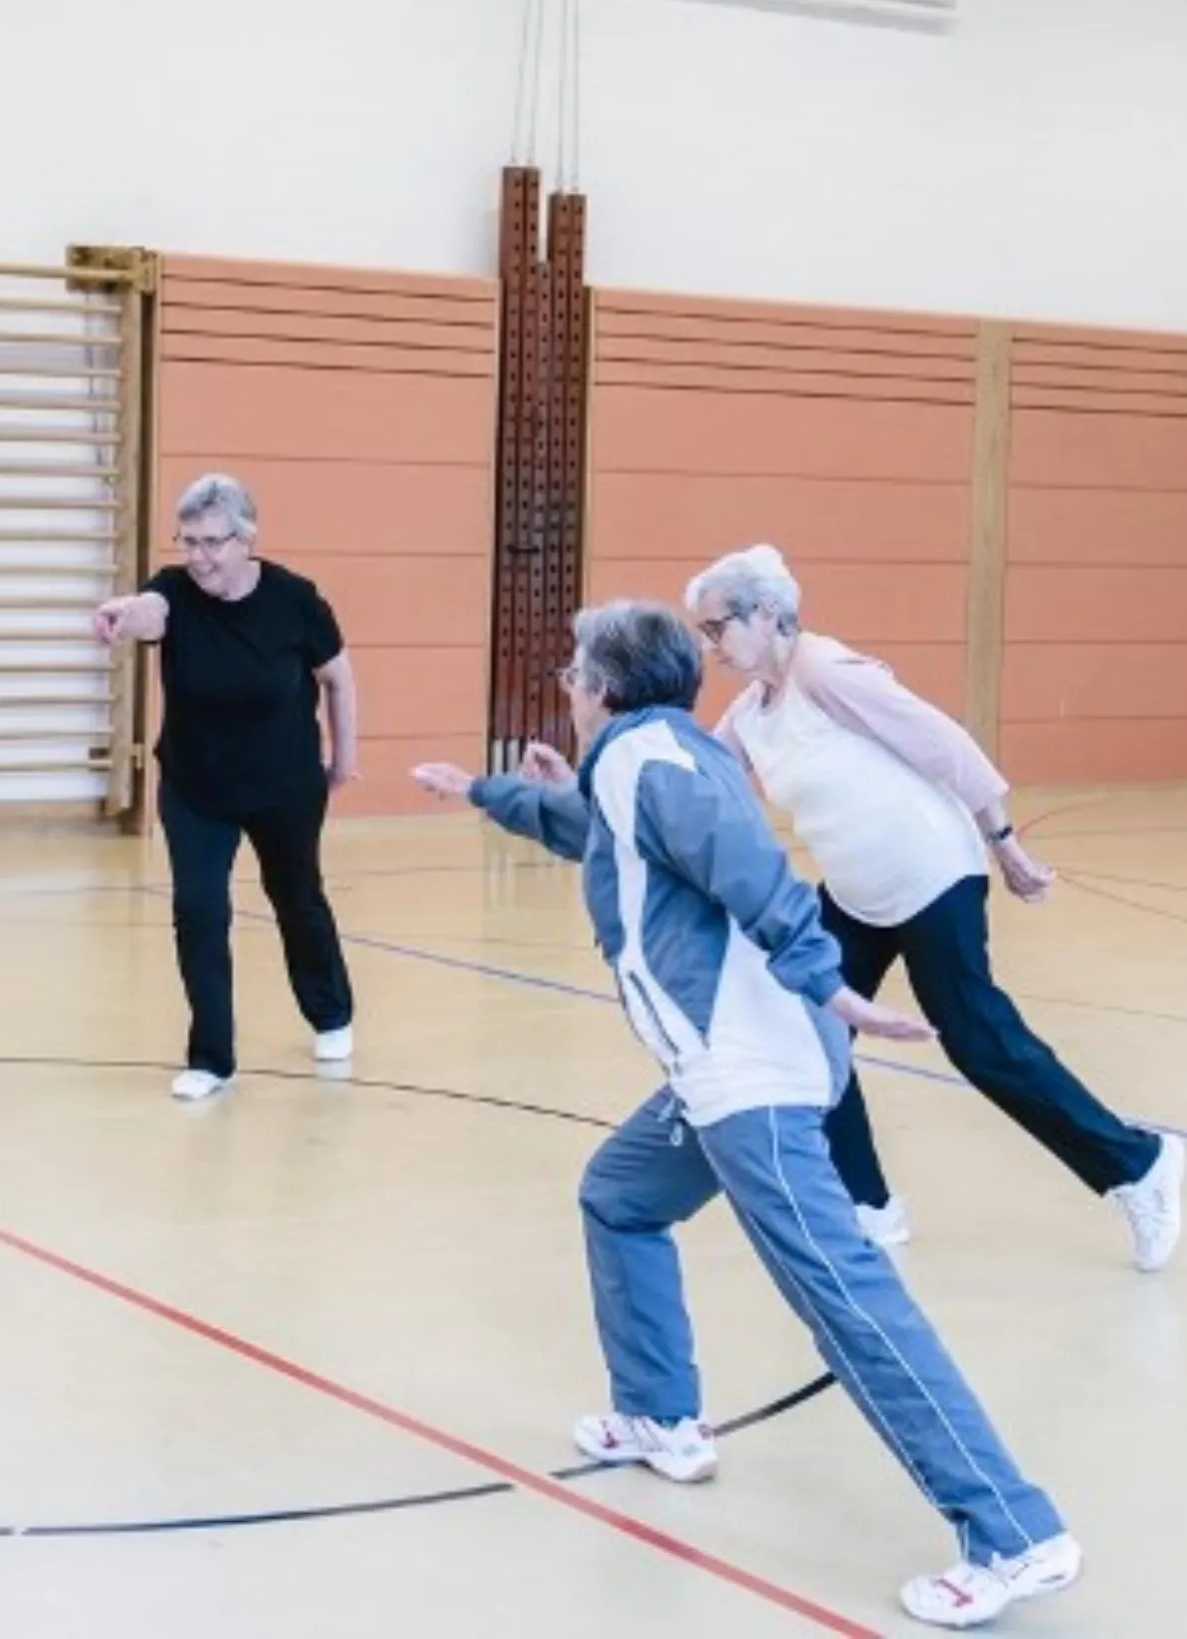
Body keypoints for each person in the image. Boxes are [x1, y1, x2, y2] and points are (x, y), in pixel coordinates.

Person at [412, 600, 1082, 1632]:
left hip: (750, 1069)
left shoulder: (653, 764)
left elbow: (746, 864)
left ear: (603, 689)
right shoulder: (655, 755)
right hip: (727, 1063)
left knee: (844, 1295)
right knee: (621, 1195)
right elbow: (599, 833)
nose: (567, 687)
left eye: (574, 674)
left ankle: (1014, 1529)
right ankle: (661, 1413)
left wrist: (832, 983)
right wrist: (485, 791)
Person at [682, 544, 1183, 1268]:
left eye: (716, 628)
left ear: (764, 613)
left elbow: (945, 746)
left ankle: (1139, 1165)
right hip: (856, 895)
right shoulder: (752, 711)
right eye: (702, 633)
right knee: (810, 1033)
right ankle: (868, 1206)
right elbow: (695, 780)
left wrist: (1005, 843)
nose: (710, 647)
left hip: (933, 876)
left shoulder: (827, 673)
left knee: (979, 1042)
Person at [93, 472, 358, 1101]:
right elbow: (150, 612)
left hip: (284, 783)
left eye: (212, 542)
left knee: (297, 898)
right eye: (188, 542)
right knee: (198, 909)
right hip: (196, 785)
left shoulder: (295, 599)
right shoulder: (174, 591)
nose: (199, 557)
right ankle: (212, 1058)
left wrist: (344, 760)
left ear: (246, 540)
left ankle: (331, 1012)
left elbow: (339, 680)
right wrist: (122, 613)